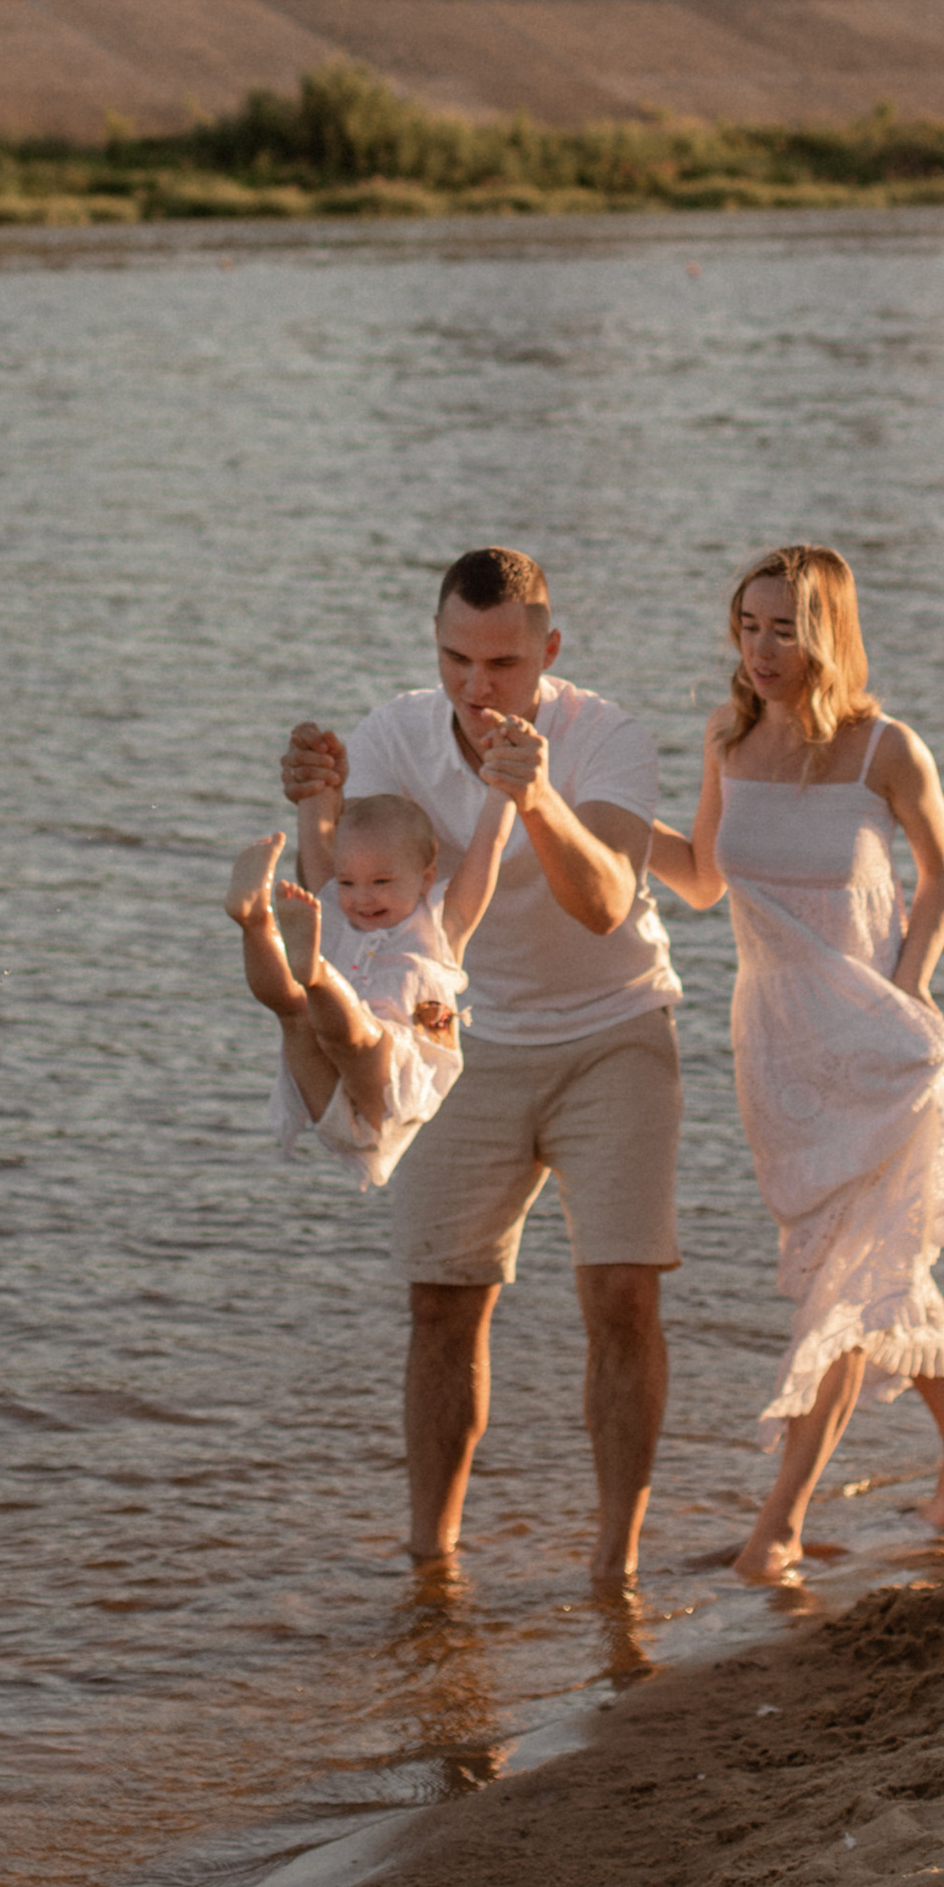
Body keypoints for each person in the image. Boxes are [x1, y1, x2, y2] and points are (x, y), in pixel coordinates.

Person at [282, 546, 677, 1588]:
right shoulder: (395, 736)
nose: (474, 686)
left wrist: (537, 798)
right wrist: (311, 808)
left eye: (500, 664)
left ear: (547, 652)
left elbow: (604, 907)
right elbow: (344, 901)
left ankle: (613, 1566)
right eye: (455, 657)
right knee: (440, 1302)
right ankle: (430, 1564)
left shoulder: (605, 738)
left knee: (622, 1295)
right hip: (461, 1040)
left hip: (614, 1029)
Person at [651, 544, 944, 1581]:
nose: (759, 649)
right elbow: (706, 880)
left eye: (783, 628)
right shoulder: (726, 735)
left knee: (846, 1287)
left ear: (826, 631)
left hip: (874, 1043)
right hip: (776, 1050)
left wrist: (916, 978)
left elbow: (941, 878)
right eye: (747, 626)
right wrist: (605, 828)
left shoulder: (882, 748)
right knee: (873, 1264)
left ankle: (780, 1529)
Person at [226, 783, 512, 1189]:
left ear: (426, 878)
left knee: (299, 1013)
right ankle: (261, 928)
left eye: (380, 882)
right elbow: (320, 842)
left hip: (359, 1076)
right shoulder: (334, 913)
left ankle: (262, 928)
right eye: (347, 883)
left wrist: (504, 790)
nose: (361, 898)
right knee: (317, 1022)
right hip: (378, 1099)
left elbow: (490, 846)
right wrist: (315, 792)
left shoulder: (440, 928)